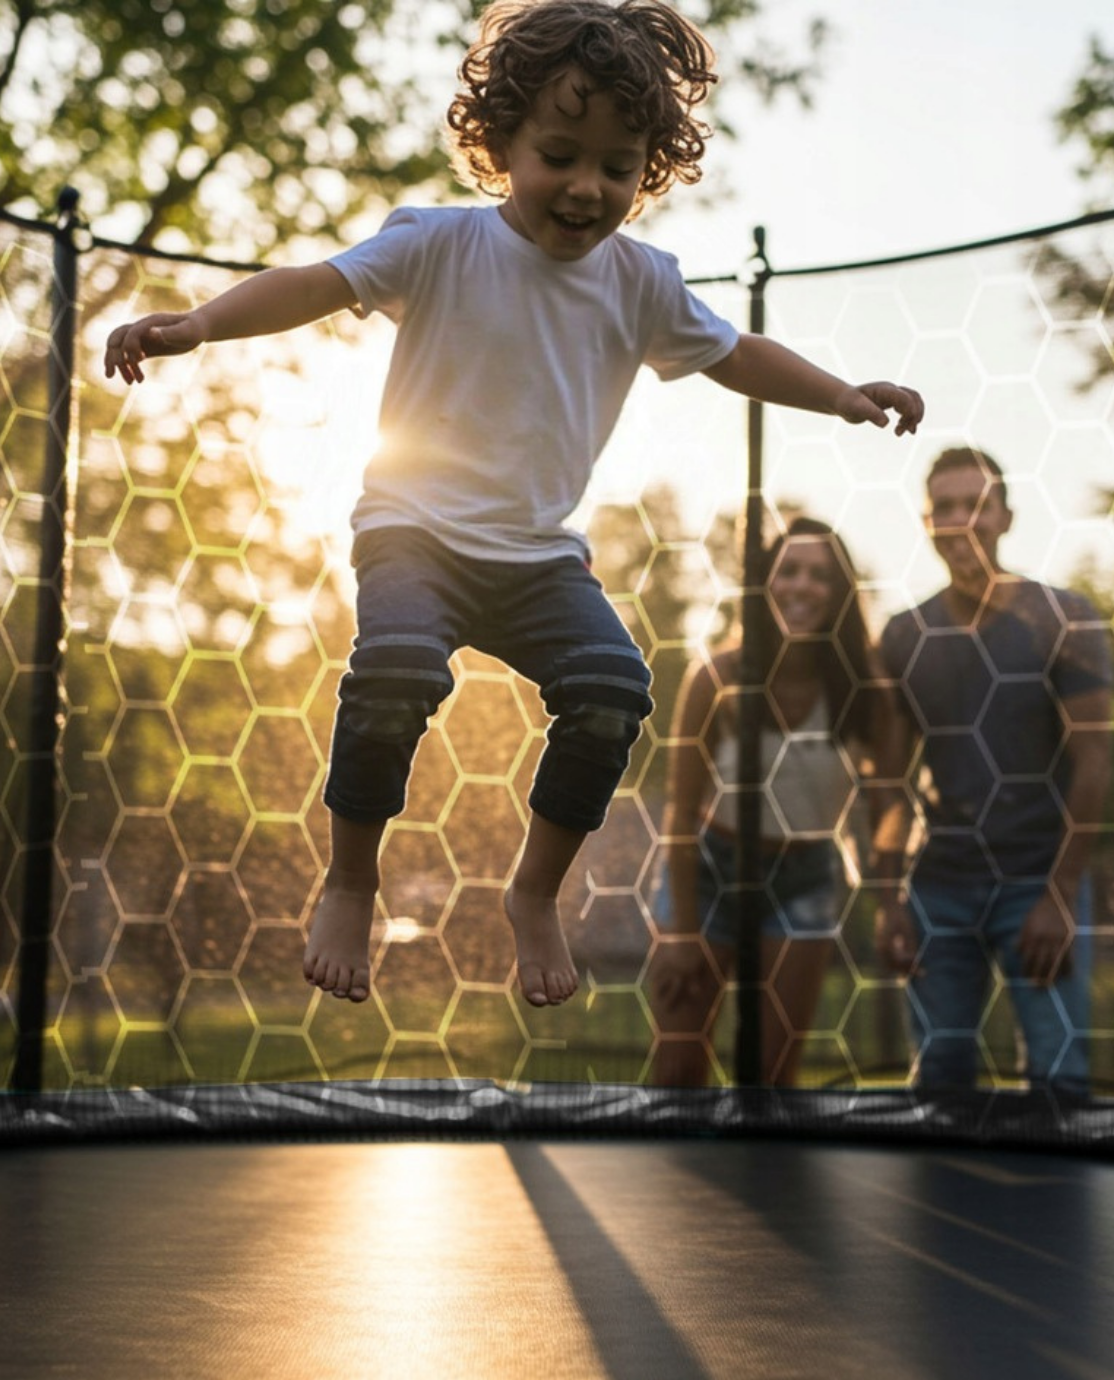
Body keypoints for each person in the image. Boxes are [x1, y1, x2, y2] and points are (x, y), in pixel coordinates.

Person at [105, 0, 924, 1009]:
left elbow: (736, 355)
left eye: (617, 168)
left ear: (647, 173)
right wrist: (199, 323)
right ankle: (351, 877)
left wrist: (842, 393)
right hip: (413, 530)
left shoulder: (642, 282)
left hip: (538, 557)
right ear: (499, 145)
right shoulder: (439, 244)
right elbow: (316, 285)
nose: (587, 188)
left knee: (614, 689)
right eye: (560, 155)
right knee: (399, 666)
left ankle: (534, 892)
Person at [874, 447, 1112, 1093]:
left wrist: (1060, 896)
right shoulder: (903, 635)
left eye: (976, 505)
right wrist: (890, 898)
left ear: (1005, 516)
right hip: (939, 886)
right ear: (926, 522)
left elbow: (1096, 760)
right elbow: (889, 783)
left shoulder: (1064, 616)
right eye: (944, 507)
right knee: (939, 1081)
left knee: (1059, 1080)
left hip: (1037, 880)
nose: (961, 520)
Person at [651, 517, 900, 1085]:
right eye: (788, 571)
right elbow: (681, 813)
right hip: (710, 872)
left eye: (819, 575)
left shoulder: (867, 693)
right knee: (679, 1071)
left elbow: (889, 805)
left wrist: (891, 902)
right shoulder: (716, 678)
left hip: (805, 875)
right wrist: (684, 932)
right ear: (765, 583)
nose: (801, 586)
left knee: (771, 1076)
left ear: (840, 593)